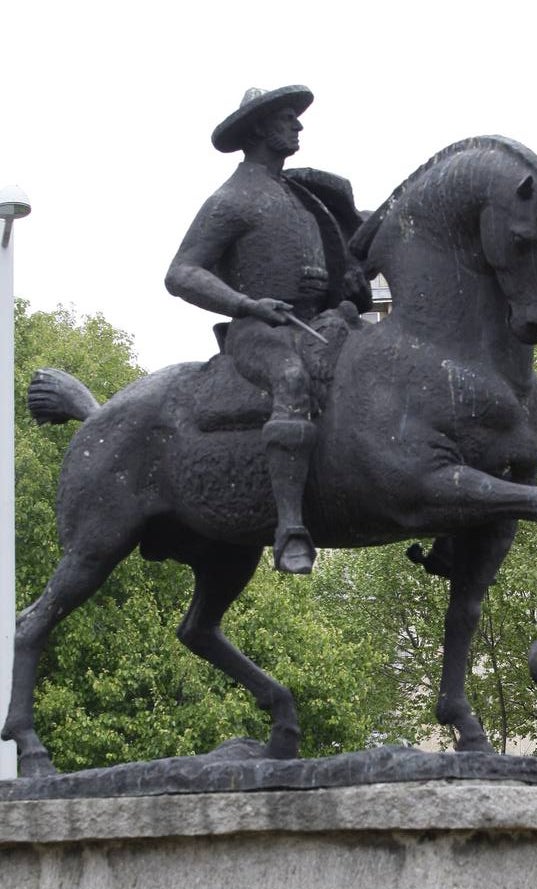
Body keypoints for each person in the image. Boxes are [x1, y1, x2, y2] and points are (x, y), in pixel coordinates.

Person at [166, 85, 370, 575]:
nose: (298, 125)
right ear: (259, 129)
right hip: (260, 332)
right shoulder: (232, 199)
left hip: (315, 321)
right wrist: (246, 304)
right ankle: (290, 527)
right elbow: (181, 273)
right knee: (292, 380)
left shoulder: (299, 195)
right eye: (286, 118)